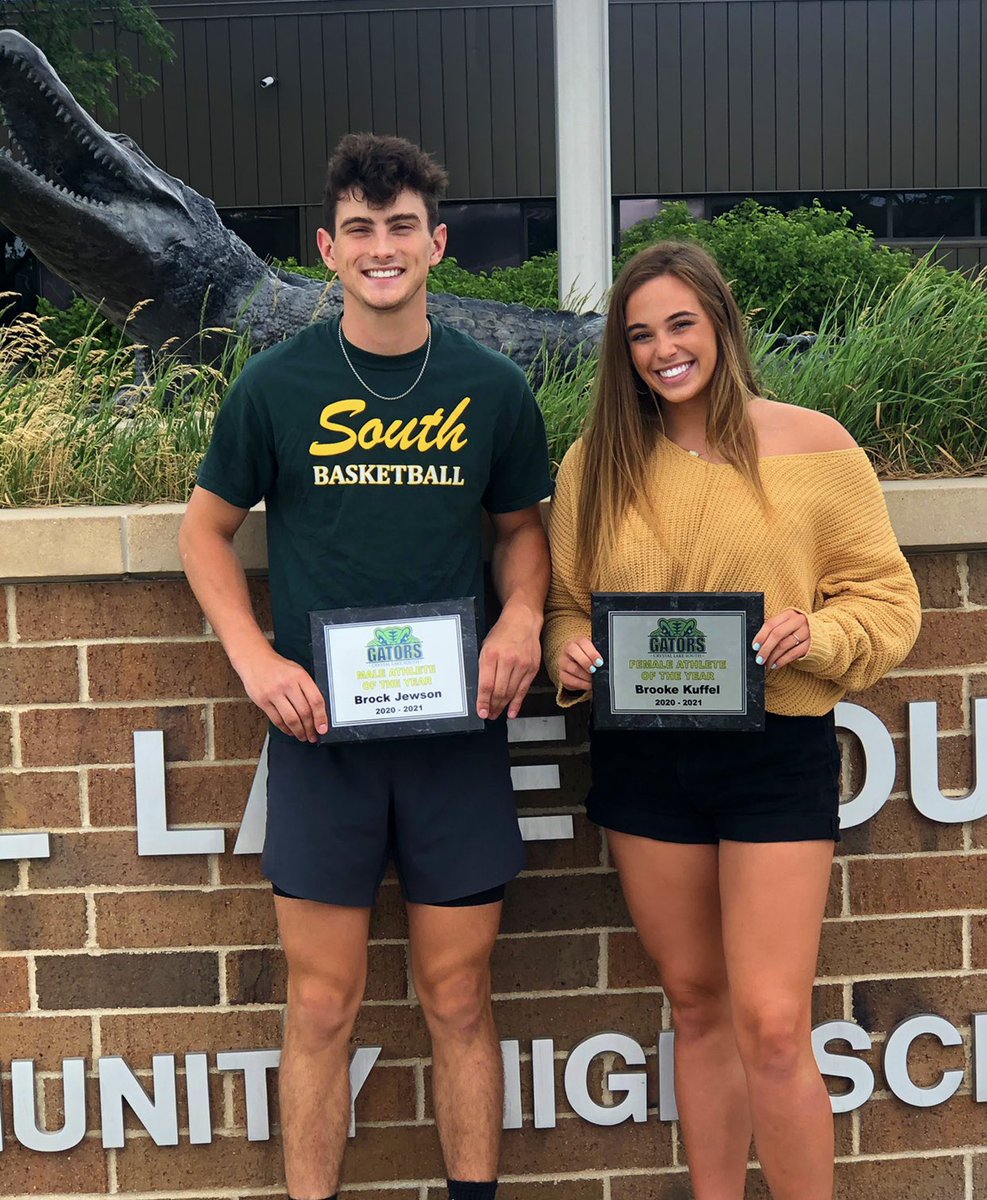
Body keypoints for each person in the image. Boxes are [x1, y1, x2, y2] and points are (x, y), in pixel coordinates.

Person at [179, 133, 552, 1200]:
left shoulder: (490, 388)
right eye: (359, 230)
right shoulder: (275, 387)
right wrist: (253, 658)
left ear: (435, 244)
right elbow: (205, 534)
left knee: (460, 994)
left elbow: (523, 531)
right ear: (327, 250)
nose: (380, 248)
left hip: (456, 739)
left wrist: (521, 615)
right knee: (321, 1003)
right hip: (321, 739)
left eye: (400, 228)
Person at [543, 241, 920, 1200]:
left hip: (772, 758)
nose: (663, 350)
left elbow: (887, 601)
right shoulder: (597, 462)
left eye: (679, 324)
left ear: (719, 323)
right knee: (696, 1006)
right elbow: (566, 605)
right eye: (639, 335)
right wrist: (568, 651)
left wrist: (819, 634)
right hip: (643, 759)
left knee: (770, 1022)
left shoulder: (817, 448)